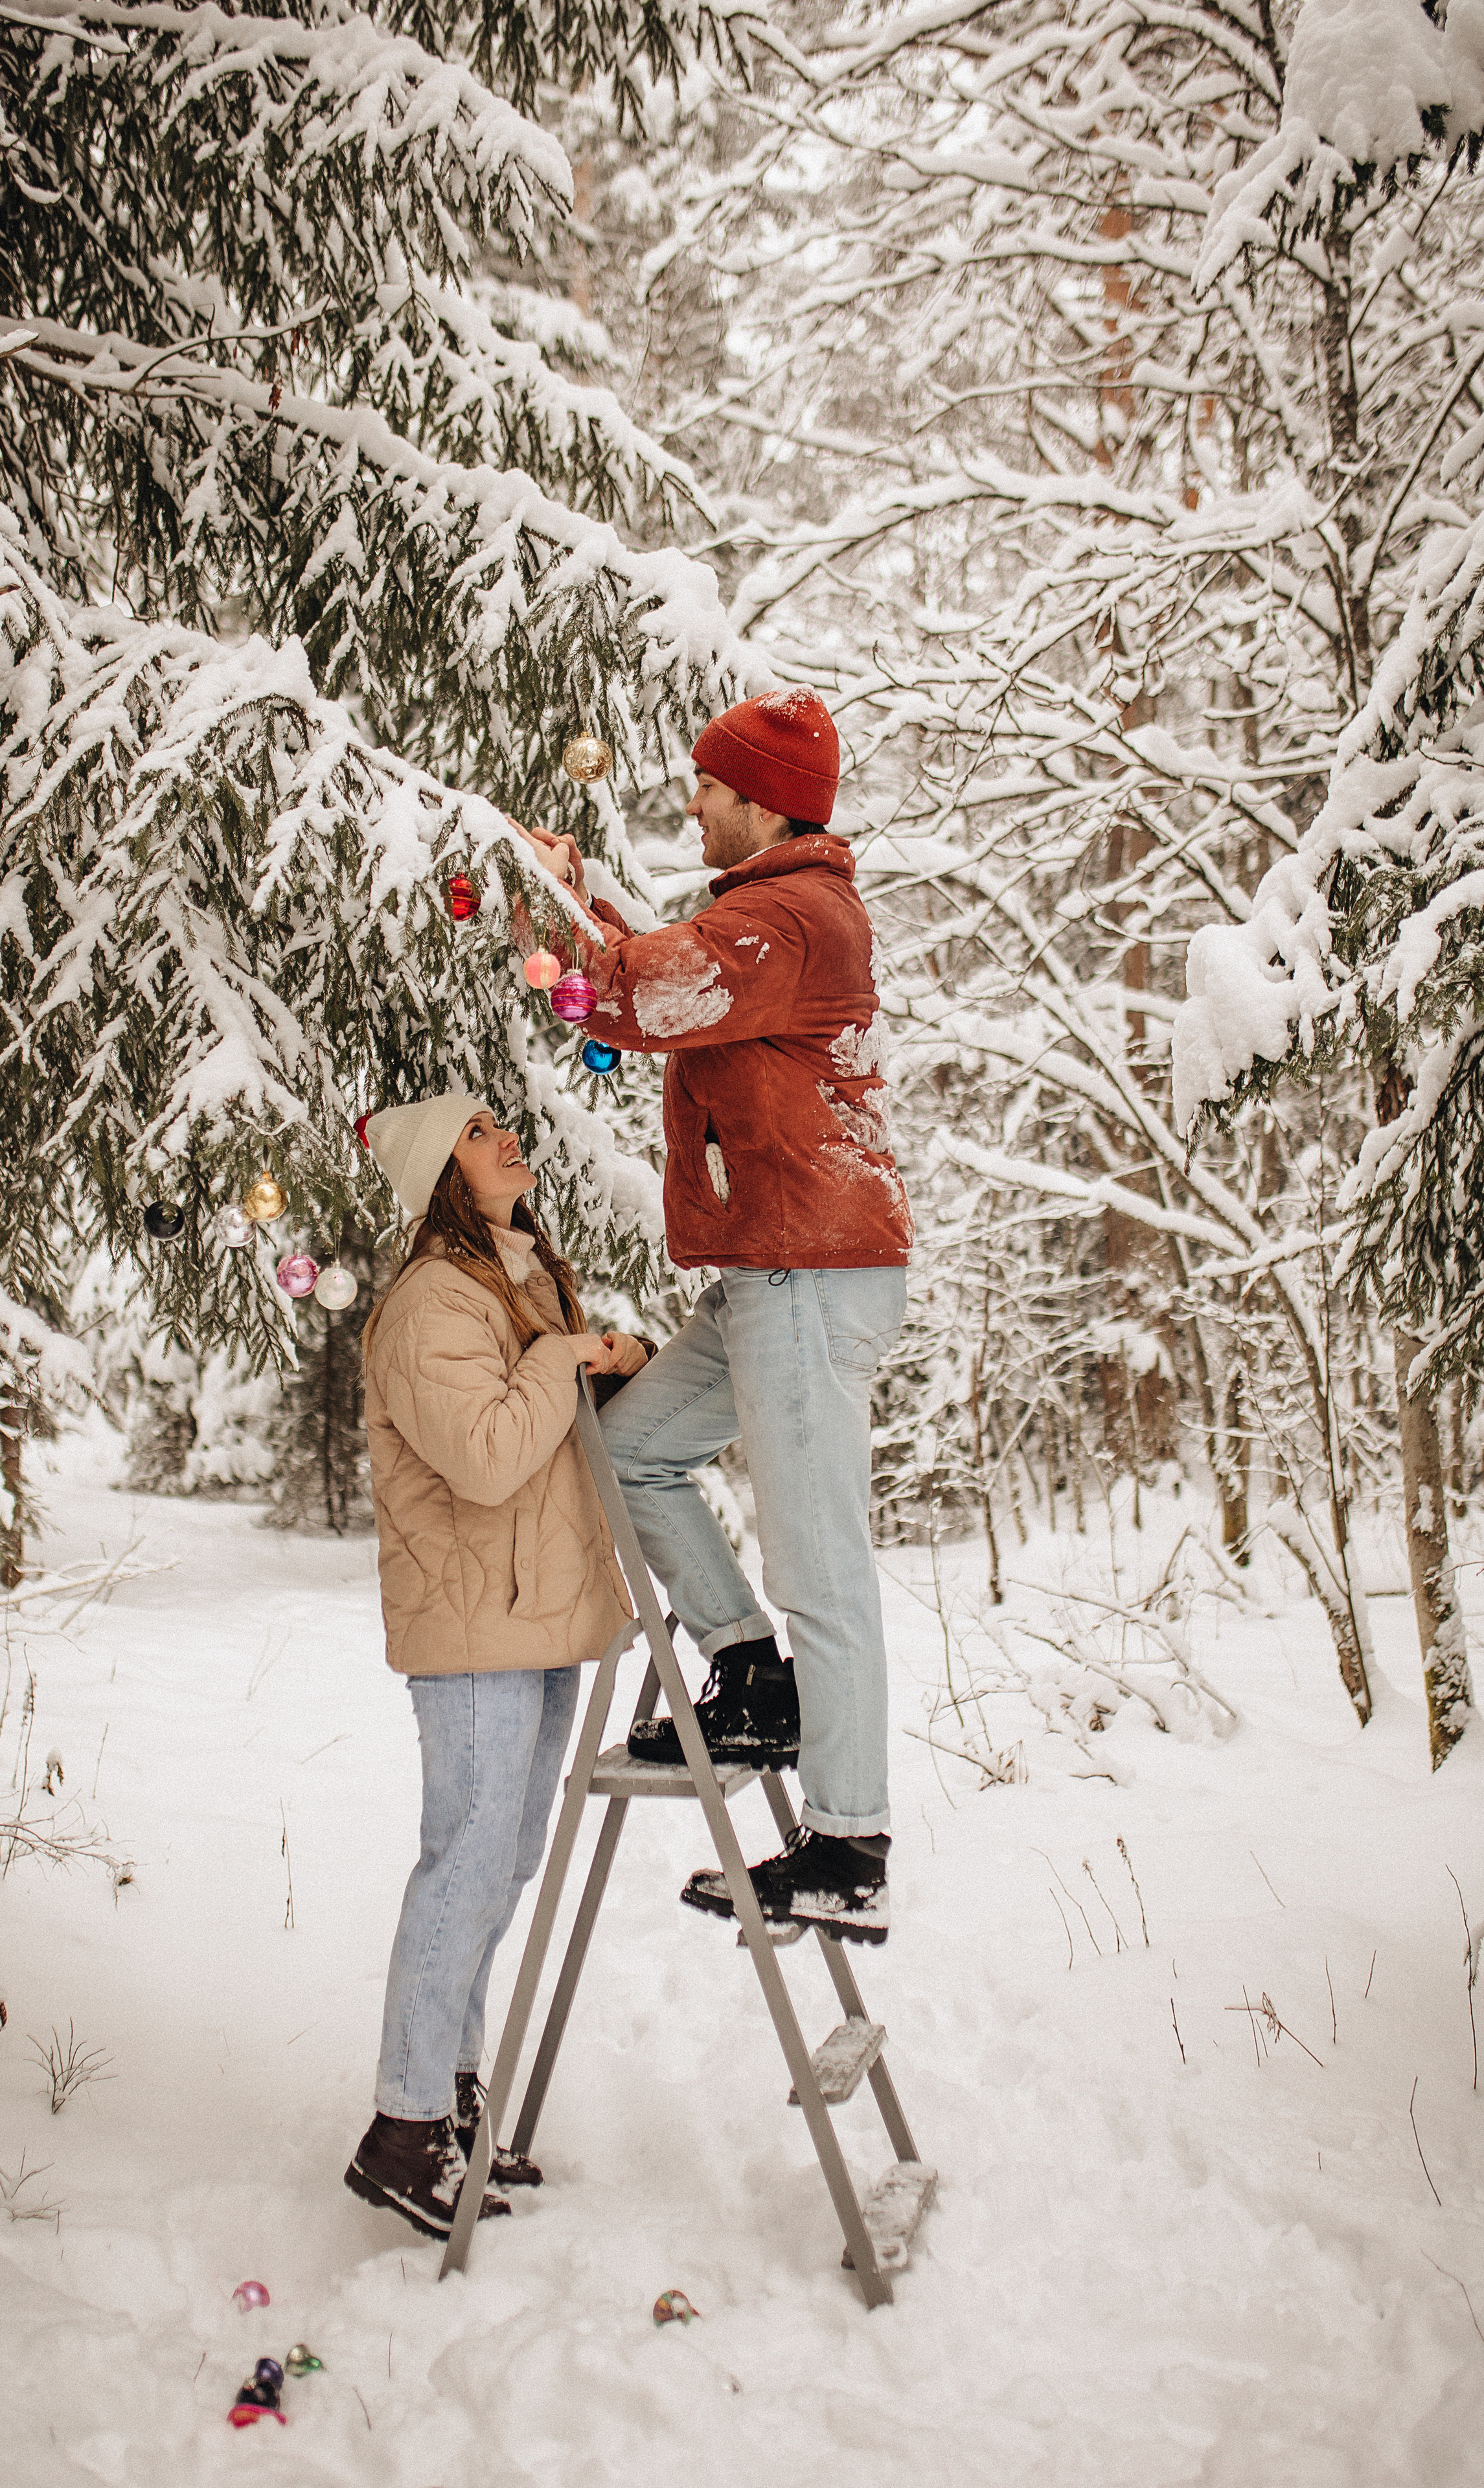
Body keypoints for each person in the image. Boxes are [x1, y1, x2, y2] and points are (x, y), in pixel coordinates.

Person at [514, 687, 911, 1946]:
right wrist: (578, 896)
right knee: (628, 1449)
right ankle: (748, 1676)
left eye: (707, 786)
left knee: (819, 1561)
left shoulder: (788, 916)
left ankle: (847, 1841)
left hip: (806, 1268)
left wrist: (545, 907)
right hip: (769, 1269)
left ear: (762, 801)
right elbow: (662, 967)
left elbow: (633, 998)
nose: (689, 801)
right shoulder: (764, 917)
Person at [343, 1090, 648, 2236]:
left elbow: (566, 1414)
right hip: (475, 1626)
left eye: (501, 1123)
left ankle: (452, 2098)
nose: (505, 1137)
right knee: (464, 1859)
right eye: (475, 1133)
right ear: (439, 1175)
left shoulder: (519, 1284)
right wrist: (571, 1353)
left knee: (503, 1861)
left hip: (544, 1614)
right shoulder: (431, 1303)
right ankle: (404, 2127)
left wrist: (616, 1356)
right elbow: (483, 1459)